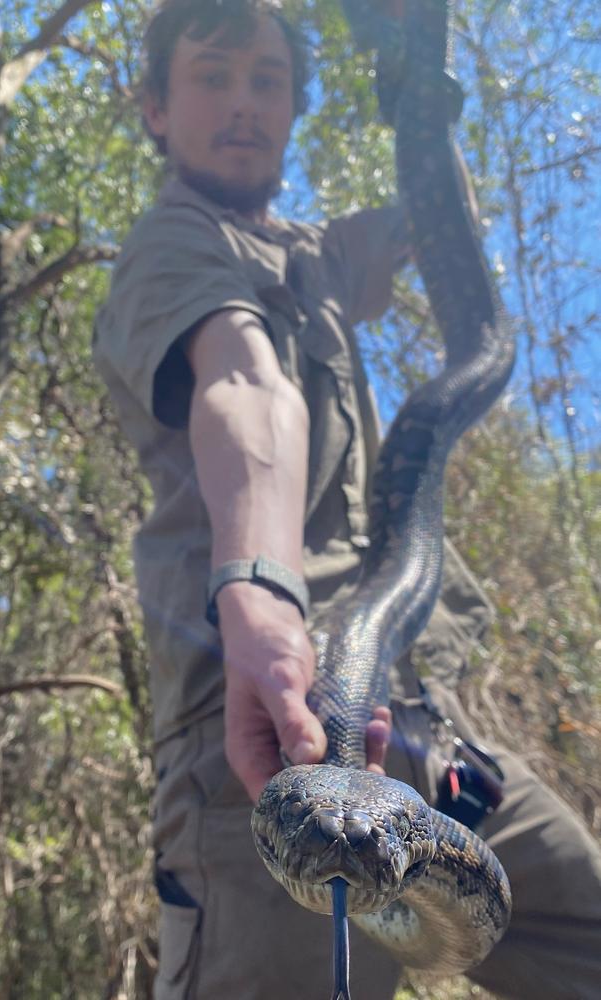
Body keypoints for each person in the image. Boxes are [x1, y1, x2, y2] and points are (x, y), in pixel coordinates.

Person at [93, 2, 601, 998]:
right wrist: (261, 589)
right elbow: (245, 386)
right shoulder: (172, 246)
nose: (242, 103)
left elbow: (434, 207)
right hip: (266, 746)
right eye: (212, 74)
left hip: (418, 729)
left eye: (267, 80)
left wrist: (416, 73)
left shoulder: (315, 259)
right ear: (152, 107)